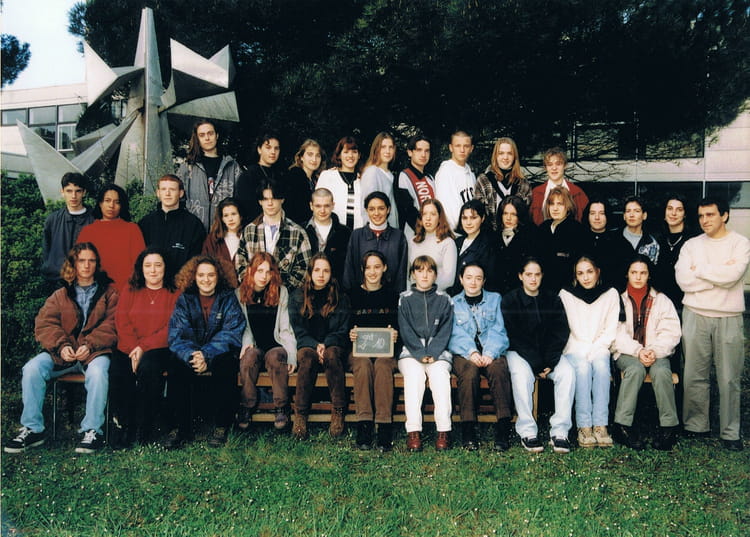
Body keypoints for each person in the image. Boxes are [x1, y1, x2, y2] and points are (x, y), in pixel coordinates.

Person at [4, 243, 117, 454]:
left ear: (97, 264)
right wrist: (62, 346)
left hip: (94, 353)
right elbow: (45, 324)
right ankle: (33, 429)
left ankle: (92, 431)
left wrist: (89, 344)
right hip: (62, 354)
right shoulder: (60, 294)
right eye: (81, 260)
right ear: (73, 264)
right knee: (32, 368)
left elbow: (112, 325)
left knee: (99, 372)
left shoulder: (109, 294)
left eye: (91, 261)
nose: (86, 265)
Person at [675, 197, 750, 451]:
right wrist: (717, 274)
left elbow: (732, 277)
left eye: (710, 215)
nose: (704, 220)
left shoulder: (740, 244)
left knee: (729, 377)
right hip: (695, 314)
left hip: (728, 316)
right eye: (701, 216)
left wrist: (700, 270)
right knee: (694, 374)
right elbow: (683, 281)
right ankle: (696, 424)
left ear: (724, 215)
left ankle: (730, 432)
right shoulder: (691, 245)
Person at [166, 255, 245, 449]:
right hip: (192, 354)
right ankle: (181, 428)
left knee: (227, 364)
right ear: (194, 277)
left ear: (218, 276)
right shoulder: (185, 299)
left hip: (218, 352)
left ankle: (221, 426)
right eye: (201, 275)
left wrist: (206, 355)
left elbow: (232, 333)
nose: (206, 279)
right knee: (175, 364)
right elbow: (176, 335)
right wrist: (193, 355)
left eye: (211, 275)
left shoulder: (228, 298)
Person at [501, 257, 574, 453]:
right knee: (521, 375)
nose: (533, 279)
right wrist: (536, 363)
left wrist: (550, 360)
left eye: (537, 274)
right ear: (520, 276)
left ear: (542, 276)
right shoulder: (510, 300)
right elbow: (513, 335)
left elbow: (560, 332)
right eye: (528, 274)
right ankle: (527, 431)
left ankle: (560, 431)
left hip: (548, 355)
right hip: (519, 352)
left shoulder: (552, 299)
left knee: (567, 373)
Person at [111, 247, 179, 446]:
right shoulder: (130, 289)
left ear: (166, 267)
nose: (153, 270)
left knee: (149, 368)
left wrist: (143, 347)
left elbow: (173, 327)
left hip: (159, 348)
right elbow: (121, 320)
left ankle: (144, 427)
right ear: (141, 268)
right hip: (129, 346)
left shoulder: (175, 292)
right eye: (148, 265)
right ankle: (125, 425)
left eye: (158, 265)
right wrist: (134, 348)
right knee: (118, 369)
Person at [612, 255, 681, 451]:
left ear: (649, 275)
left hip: (655, 352)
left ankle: (669, 427)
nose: (638, 277)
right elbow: (615, 333)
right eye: (634, 272)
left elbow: (671, 331)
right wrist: (638, 350)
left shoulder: (661, 300)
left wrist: (654, 350)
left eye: (643, 273)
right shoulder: (618, 299)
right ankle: (622, 425)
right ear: (627, 274)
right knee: (635, 370)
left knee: (661, 371)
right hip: (628, 353)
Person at [448, 263, 513, 451]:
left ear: (484, 280)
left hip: (491, 351)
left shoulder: (495, 299)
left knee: (498, 369)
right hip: (464, 353)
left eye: (478, 278)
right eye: (468, 277)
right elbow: (454, 333)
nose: (473, 282)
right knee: (469, 372)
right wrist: (472, 352)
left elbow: (499, 329)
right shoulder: (453, 302)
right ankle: (468, 429)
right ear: (461, 279)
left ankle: (503, 427)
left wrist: (490, 353)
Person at [289, 253, 352, 440]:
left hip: (333, 344)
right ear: (310, 272)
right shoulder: (297, 296)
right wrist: (315, 345)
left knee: (332, 355)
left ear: (331, 274)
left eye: (326, 271)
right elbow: (298, 330)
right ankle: (300, 414)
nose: (321, 275)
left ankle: (338, 411)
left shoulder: (341, 298)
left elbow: (343, 329)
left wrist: (326, 344)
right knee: (307, 358)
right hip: (308, 344)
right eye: (317, 270)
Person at [559, 255, 620, 449]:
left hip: (600, 346)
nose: (585, 277)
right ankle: (584, 426)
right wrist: (583, 350)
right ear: (575, 276)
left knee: (601, 367)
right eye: (580, 273)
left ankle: (600, 425)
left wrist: (596, 348)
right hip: (574, 347)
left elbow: (610, 328)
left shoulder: (610, 294)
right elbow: (566, 330)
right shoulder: (566, 295)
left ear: (598, 272)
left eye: (589, 272)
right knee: (583, 369)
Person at [398, 255, 454, 452]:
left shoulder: (444, 299)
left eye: (429, 271)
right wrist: (420, 353)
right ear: (413, 274)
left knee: (440, 376)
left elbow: (446, 329)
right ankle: (413, 431)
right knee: (414, 377)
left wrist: (433, 352)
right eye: (419, 270)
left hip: (439, 353)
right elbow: (405, 330)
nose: (424, 275)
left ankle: (443, 431)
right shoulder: (404, 299)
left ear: (435, 275)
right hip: (411, 353)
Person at [236, 252, 297, 432]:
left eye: (268, 271)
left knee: (275, 356)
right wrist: (246, 343)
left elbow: (286, 329)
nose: (264, 276)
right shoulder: (240, 293)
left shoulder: (281, 292)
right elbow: (244, 327)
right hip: (254, 345)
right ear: (250, 271)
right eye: (259, 270)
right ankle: (247, 405)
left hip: (276, 345)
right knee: (249, 357)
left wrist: (292, 356)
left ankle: (281, 407)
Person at [348, 251, 399, 451]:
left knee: (383, 366)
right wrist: (350, 334)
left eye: (377, 267)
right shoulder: (352, 295)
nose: (372, 272)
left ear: (384, 268)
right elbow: (344, 325)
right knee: (363, 365)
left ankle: (384, 425)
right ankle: (365, 424)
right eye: (368, 267)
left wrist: (395, 334)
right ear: (362, 270)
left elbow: (399, 325)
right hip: (358, 353)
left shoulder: (393, 296)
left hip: (385, 352)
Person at [235, 179, 312, 290]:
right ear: (260, 201)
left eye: (274, 198)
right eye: (265, 199)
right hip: (253, 292)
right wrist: (253, 287)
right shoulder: (249, 231)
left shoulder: (297, 232)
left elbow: (303, 268)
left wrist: (281, 291)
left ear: (282, 199)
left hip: (286, 295)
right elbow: (240, 264)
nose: (270, 203)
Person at [178, 119, 243, 231]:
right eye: (202, 135)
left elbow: (240, 199)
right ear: (197, 138)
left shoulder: (232, 166)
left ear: (217, 135)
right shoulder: (188, 167)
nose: (207, 138)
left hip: (224, 231)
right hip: (194, 231)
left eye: (210, 133)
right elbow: (178, 199)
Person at [77, 183, 146, 290]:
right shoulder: (88, 231)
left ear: (122, 206)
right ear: (100, 203)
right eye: (107, 200)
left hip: (127, 290)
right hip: (95, 291)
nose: (111, 205)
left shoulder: (132, 229)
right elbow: (79, 263)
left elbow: (140, 264)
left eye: (117, 202)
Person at [138, 174, 206, 272]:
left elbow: (197, 260)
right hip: (152, 279)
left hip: (182, 280)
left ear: (181, 193)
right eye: (163, 189)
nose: (167, 193)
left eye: (172, 189)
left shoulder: (193, 225)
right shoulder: (145, 223)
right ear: (158, 193)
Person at [343, 191, 408, 293]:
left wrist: (398, 296)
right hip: (360, 296)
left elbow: (402, 272)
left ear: (388, 209)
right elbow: (349, 269)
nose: (376, 213)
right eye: (372, 209)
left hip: (390, 296)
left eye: (381, 208)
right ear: (366, 210)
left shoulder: (398, 236)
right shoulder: (357, 235)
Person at [41, 172, 94, 286]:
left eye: (78, 191)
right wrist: (50, 268)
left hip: (87, 283)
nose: (73, 196)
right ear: (62, 192)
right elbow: (46, 250)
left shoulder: (95, 221)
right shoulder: (52, 220)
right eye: (69, 191)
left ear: (84, 192)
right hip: (56, 282)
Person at [474, 137, 532, 231]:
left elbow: (525, 217)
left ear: (514, 157)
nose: (505, 157)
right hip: (490, 235)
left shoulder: (523, 183)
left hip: (517, 235)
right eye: (501, 153)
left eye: (509, 153)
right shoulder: (483, 180)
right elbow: (478, 214)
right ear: (495, 156)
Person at [537, 186, 586, 293]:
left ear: (567, 206)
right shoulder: (543, 228)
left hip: (567, 288)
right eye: (552, 204)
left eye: (560, 204)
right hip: (543, 287)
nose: (555, 208)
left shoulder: (576, 229)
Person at [655, 194, 698, 310]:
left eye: (679, 210)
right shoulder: (659, 239)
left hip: (687, 303)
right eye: (670, 209)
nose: (673, 213)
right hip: (662, 303)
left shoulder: (693, 241)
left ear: (685, 214)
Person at [407, 199, 457, 293]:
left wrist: (425, 291)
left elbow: (449, 279)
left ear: (439, 218)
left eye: (433, 214)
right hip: (415, 296)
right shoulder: (412, 242)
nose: (428, 218)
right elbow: (408, 275)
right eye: (424, 214)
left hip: (437, 296)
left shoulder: (447, 243)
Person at [529, 147, 588, 226]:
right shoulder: (536, 193)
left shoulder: (577, 193)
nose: (554, 168)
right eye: (550, 164)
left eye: (558, 164)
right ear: (545, 167)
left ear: (565, 165)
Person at [581, 198, 632, 290]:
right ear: (587, 216)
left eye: (601, 213)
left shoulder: (620, 243)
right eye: (592, 213)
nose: (597, 217)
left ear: (607, 215)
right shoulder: (578, 240)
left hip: (611, 293)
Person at [450, 199, 498, 295]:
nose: (468, 223)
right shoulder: (457, 242)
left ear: (482, 218)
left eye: (473, 218)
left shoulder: (488, 245)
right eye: (464, 218)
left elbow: (490, 280)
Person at [305, 188, 351, 283]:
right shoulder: (302, 230)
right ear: (311, 206)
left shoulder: (345, 233)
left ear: (333, 206)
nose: (322, 210)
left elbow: (348, 265)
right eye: (318, 206)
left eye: (326, 206)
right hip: (306, 286)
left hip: (336, 287)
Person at [316, 136, 364, 229]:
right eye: (346, 152)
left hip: (359, 233)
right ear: (339, 155)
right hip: (333, 232)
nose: (350, 156)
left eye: (354, 152)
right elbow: (317, 206)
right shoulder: (327, 176)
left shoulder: (363, 180)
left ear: (359, 155)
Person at [495, 195, 539, 294]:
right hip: (500, 291)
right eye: (505, 213)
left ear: (520, 215)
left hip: (523, 291)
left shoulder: (531, 234)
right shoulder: (496, 236)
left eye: (513, 214)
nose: (508, 218)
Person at [235, 132, 282, 223]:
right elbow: (245, 208)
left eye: (276, 148)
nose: (273, 152)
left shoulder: (280, 174)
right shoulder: (248, 175)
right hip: (255, 226)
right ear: (259, 149)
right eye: (268, 147)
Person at [434, 130, 476, 230]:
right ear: (451, 147)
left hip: (470, 230)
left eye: (466, 146)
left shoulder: (470, 173)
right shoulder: (445, 172)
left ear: (471, 148)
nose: (462, 150)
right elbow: (447, 210)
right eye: (458, 146)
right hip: (456, 232)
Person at [396, 134, 435, 238]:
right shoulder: (404, 176)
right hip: (414, 236)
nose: (423, 154)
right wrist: (422, 231)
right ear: (410, 152)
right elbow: (407, 209)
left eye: (427, 151)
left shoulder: (430, 178)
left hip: (432, 233)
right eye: (419, 150)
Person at [360, 132, 399, 228]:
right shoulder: (372, 172)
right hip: (377, 231)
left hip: (391, 229)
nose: (387, 151)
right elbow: (369, 207)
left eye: (391, 147)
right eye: (383, 147)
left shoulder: (390, 174)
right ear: (376, 149)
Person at [284, 139, 325, 227]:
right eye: (310, 154)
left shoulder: (315, 179)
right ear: (301, 157)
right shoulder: (294, 176)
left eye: (318, 155)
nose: (314, 159)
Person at [201, 197, 245, 266]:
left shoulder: (247, 237)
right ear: (222, 219)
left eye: (233, 214)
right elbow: (205, 265)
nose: (230, 219)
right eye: (226, 215)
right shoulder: (213, 239)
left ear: (240, 216)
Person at [622, 196, 659, 264]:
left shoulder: (651, 244)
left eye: (637, 211)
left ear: (644, 215)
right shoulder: (612, 238)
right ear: (624, 216)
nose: (631, 215)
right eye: (628, 211)